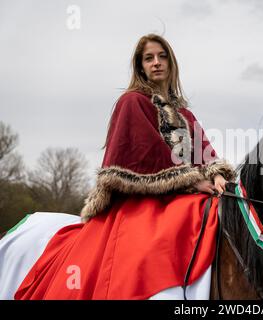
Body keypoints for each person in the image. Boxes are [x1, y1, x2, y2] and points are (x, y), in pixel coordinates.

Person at [14, 34, 235, 300]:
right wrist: (190, 181)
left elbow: (205, 152)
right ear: (140, 66)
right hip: (140, 201)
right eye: (149, 58)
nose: (156, 62)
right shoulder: (132, 102)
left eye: (162, 56)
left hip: (185, 196)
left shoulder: (185, 114)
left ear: (171, 63)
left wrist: (217, 174)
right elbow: (141, 157)